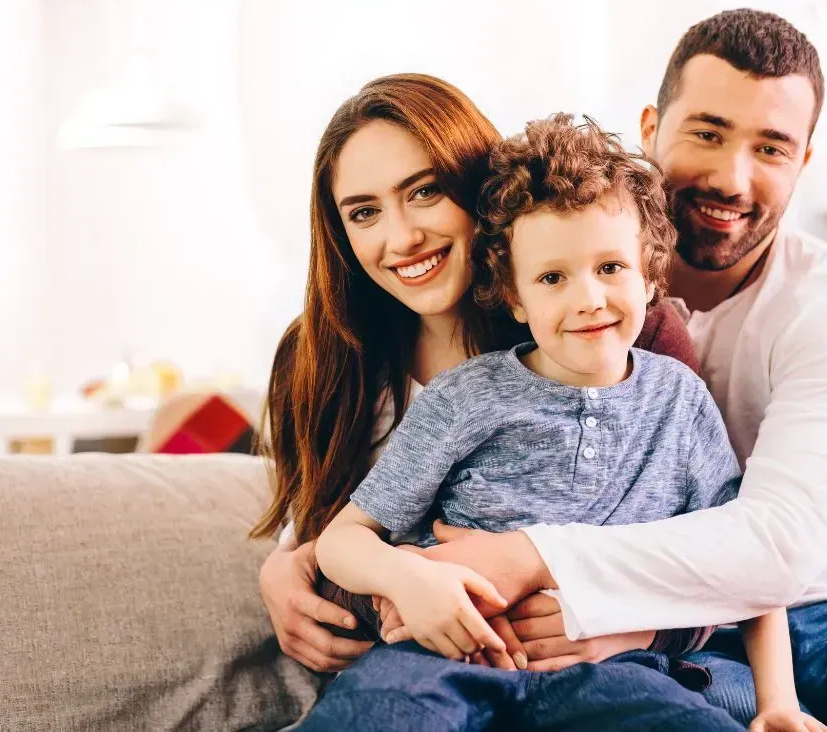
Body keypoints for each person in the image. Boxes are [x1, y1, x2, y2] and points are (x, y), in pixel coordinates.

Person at [380, 10, 827, 731]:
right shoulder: (553, 286)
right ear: (651, 127)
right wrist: (302, 555)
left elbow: (779, 546)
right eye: (708, 133)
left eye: (771, 148)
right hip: (687, 640)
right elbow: (406, 459)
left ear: (804, 163)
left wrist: (539, 558)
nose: (732, 177)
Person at [300, 114, 827, 732]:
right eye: (552, 278)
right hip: (441, 658)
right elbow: (342, 539)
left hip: (611, 668)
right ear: (515, 298)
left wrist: (778, 705)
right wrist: (409, 581)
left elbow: (744, 565)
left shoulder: (680, 401)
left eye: (611, 268)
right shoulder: (463, 397)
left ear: (650, 274)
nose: (588, 300)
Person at [251, 73, 698, 677]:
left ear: (478, 187)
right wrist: (287, 563)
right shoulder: (317, 358)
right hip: (417, 671)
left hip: (587, 672)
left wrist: (639, 626)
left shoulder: (620, 333)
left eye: (425, 192)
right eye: (364, 212)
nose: (402, 238)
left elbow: (713, 539)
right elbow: (328, 524)